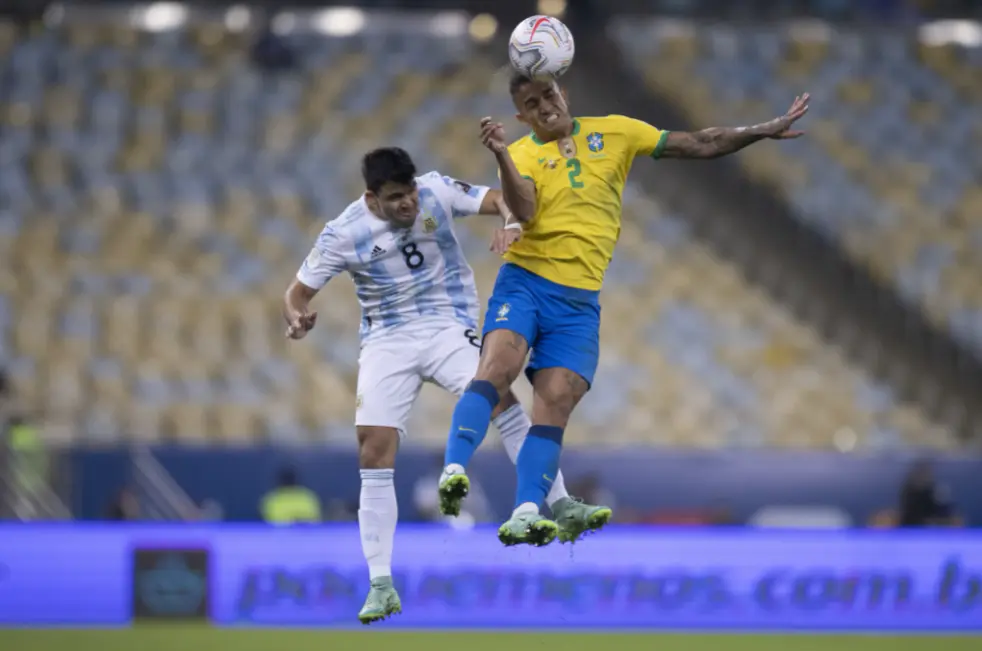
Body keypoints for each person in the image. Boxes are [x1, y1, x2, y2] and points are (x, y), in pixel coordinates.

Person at [440, 72, 810, 547]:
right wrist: (500, 154)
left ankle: (527, 511)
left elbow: (700, 142)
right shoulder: (522, 154)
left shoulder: (616, 131)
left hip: (579, 302)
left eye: (548, 95)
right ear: (521, 116)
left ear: (563, 93)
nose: (544, 106)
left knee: (556, 401)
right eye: (531, 104)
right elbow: (525, 211)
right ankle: (453, 468)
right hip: (527, 283)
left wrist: (761, 130)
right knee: (497, 368)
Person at [282, 147, 607, 624]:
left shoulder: (436, 190)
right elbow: (297, 293)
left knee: (501, 398)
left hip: (446, 325)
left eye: (410, 192)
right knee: (373, 447)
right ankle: (380, 584)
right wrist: (296, 316)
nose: (408, 203)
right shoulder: (342, 233)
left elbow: (501, 198)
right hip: (387, 340)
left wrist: (511, 221)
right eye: (395, 197)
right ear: (372, 198)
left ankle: (559, 505)